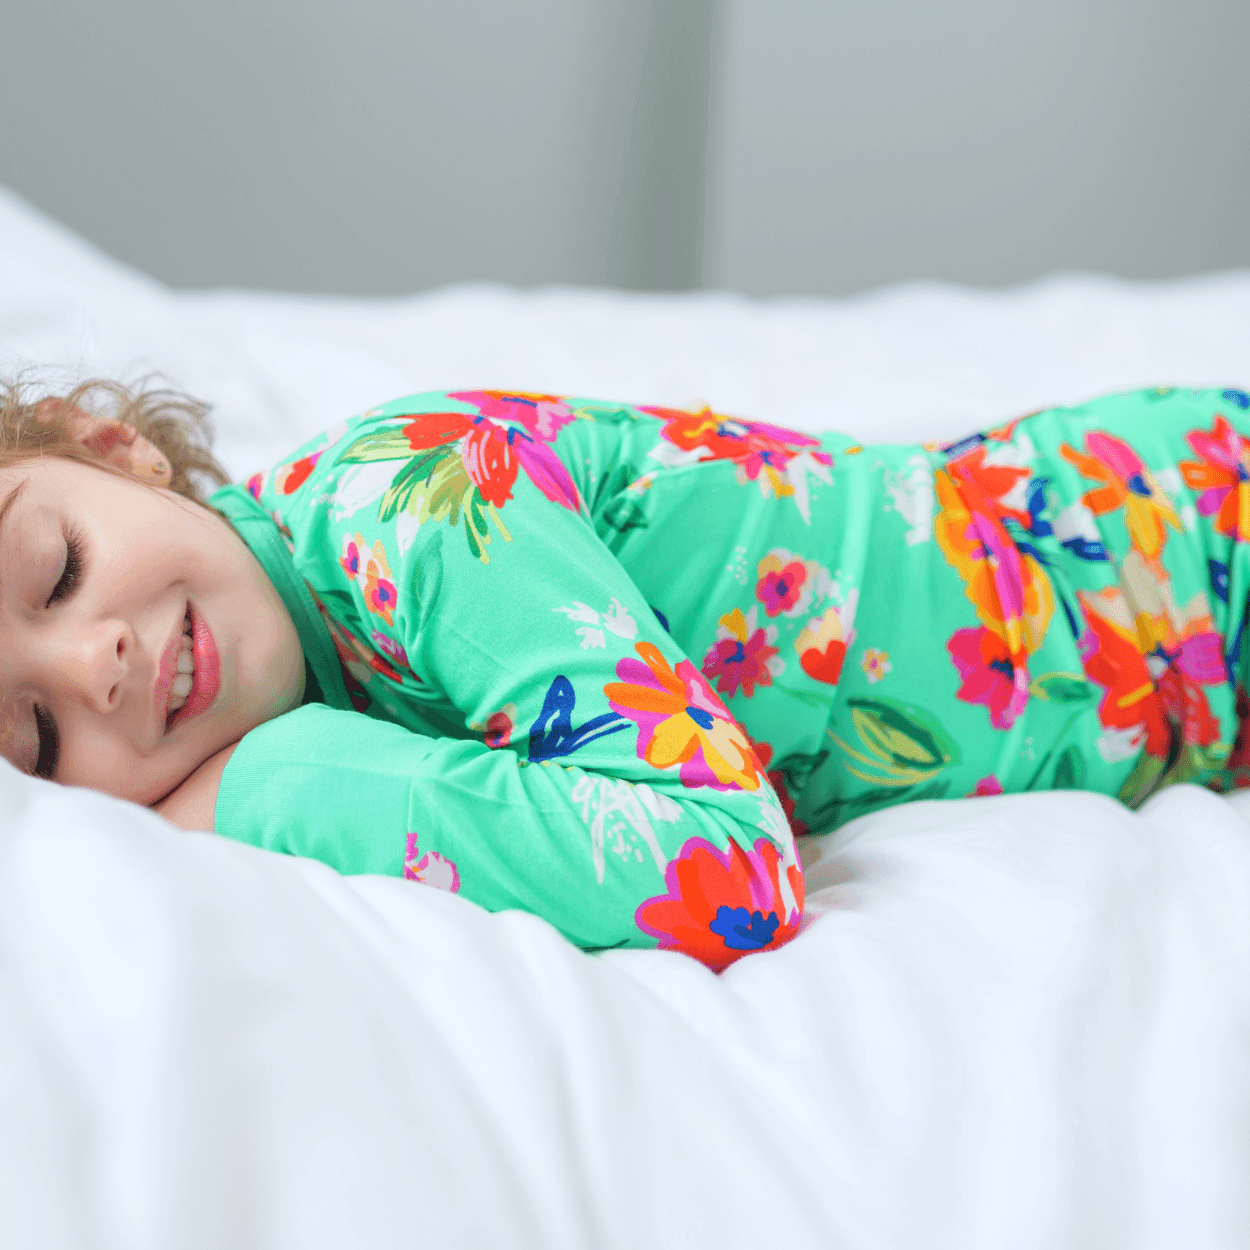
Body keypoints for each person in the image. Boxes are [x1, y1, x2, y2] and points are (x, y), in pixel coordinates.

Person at [3, 381, 1248, 970]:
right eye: (38, 738)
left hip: (1182, 539)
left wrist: (274, 781)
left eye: (55, 569)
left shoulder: (409, 510)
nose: (93, 664)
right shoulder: (334, 666)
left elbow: (726, 870)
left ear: (114, 450)